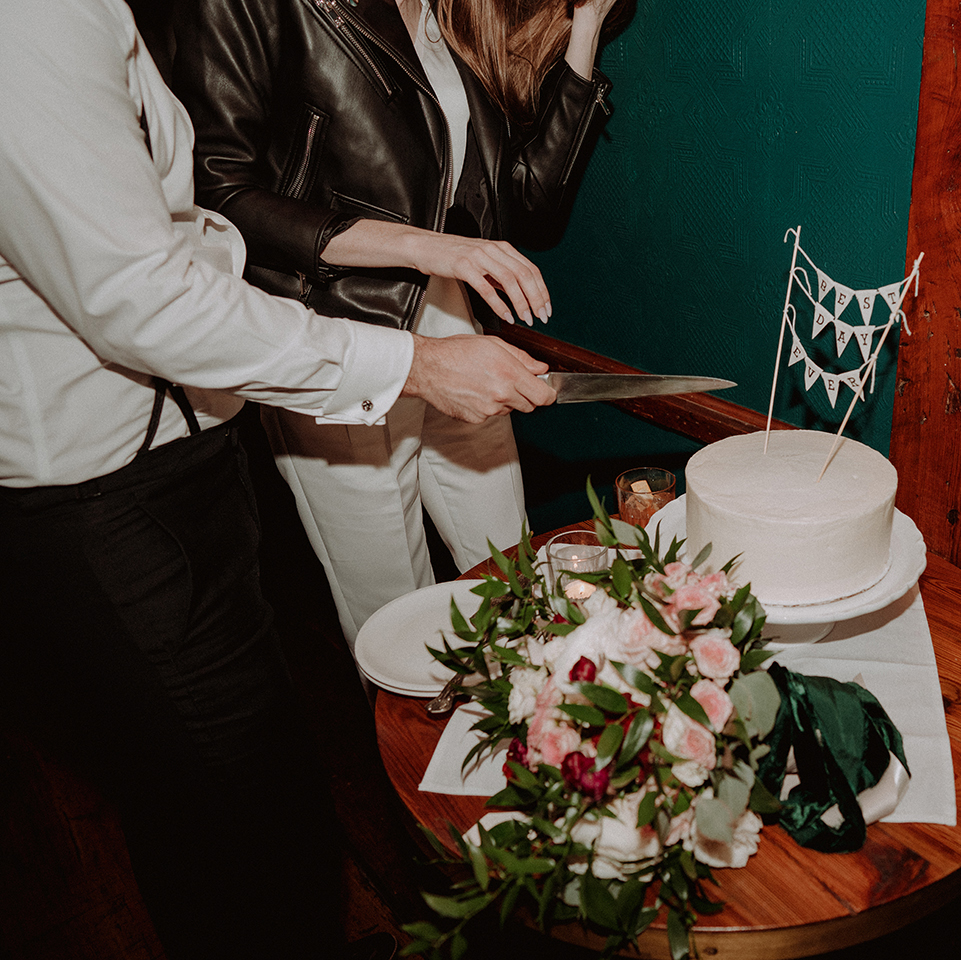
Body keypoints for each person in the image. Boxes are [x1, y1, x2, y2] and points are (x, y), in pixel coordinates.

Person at [0, 0, 556, 956]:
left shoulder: (452, 19)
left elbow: (519, 190)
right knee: (243, 818)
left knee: (246, 799)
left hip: (196, 438)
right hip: (118, 483)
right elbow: (175, 252)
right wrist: (411, 352)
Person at [171, 0, 630, 651]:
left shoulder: (456, 19)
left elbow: (529, 203)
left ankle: (538, 742)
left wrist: (585, 29)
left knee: (519, 585)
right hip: (337, 338)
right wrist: (422, 245)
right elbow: (215, 192)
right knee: (400, 622)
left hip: (456, 328)